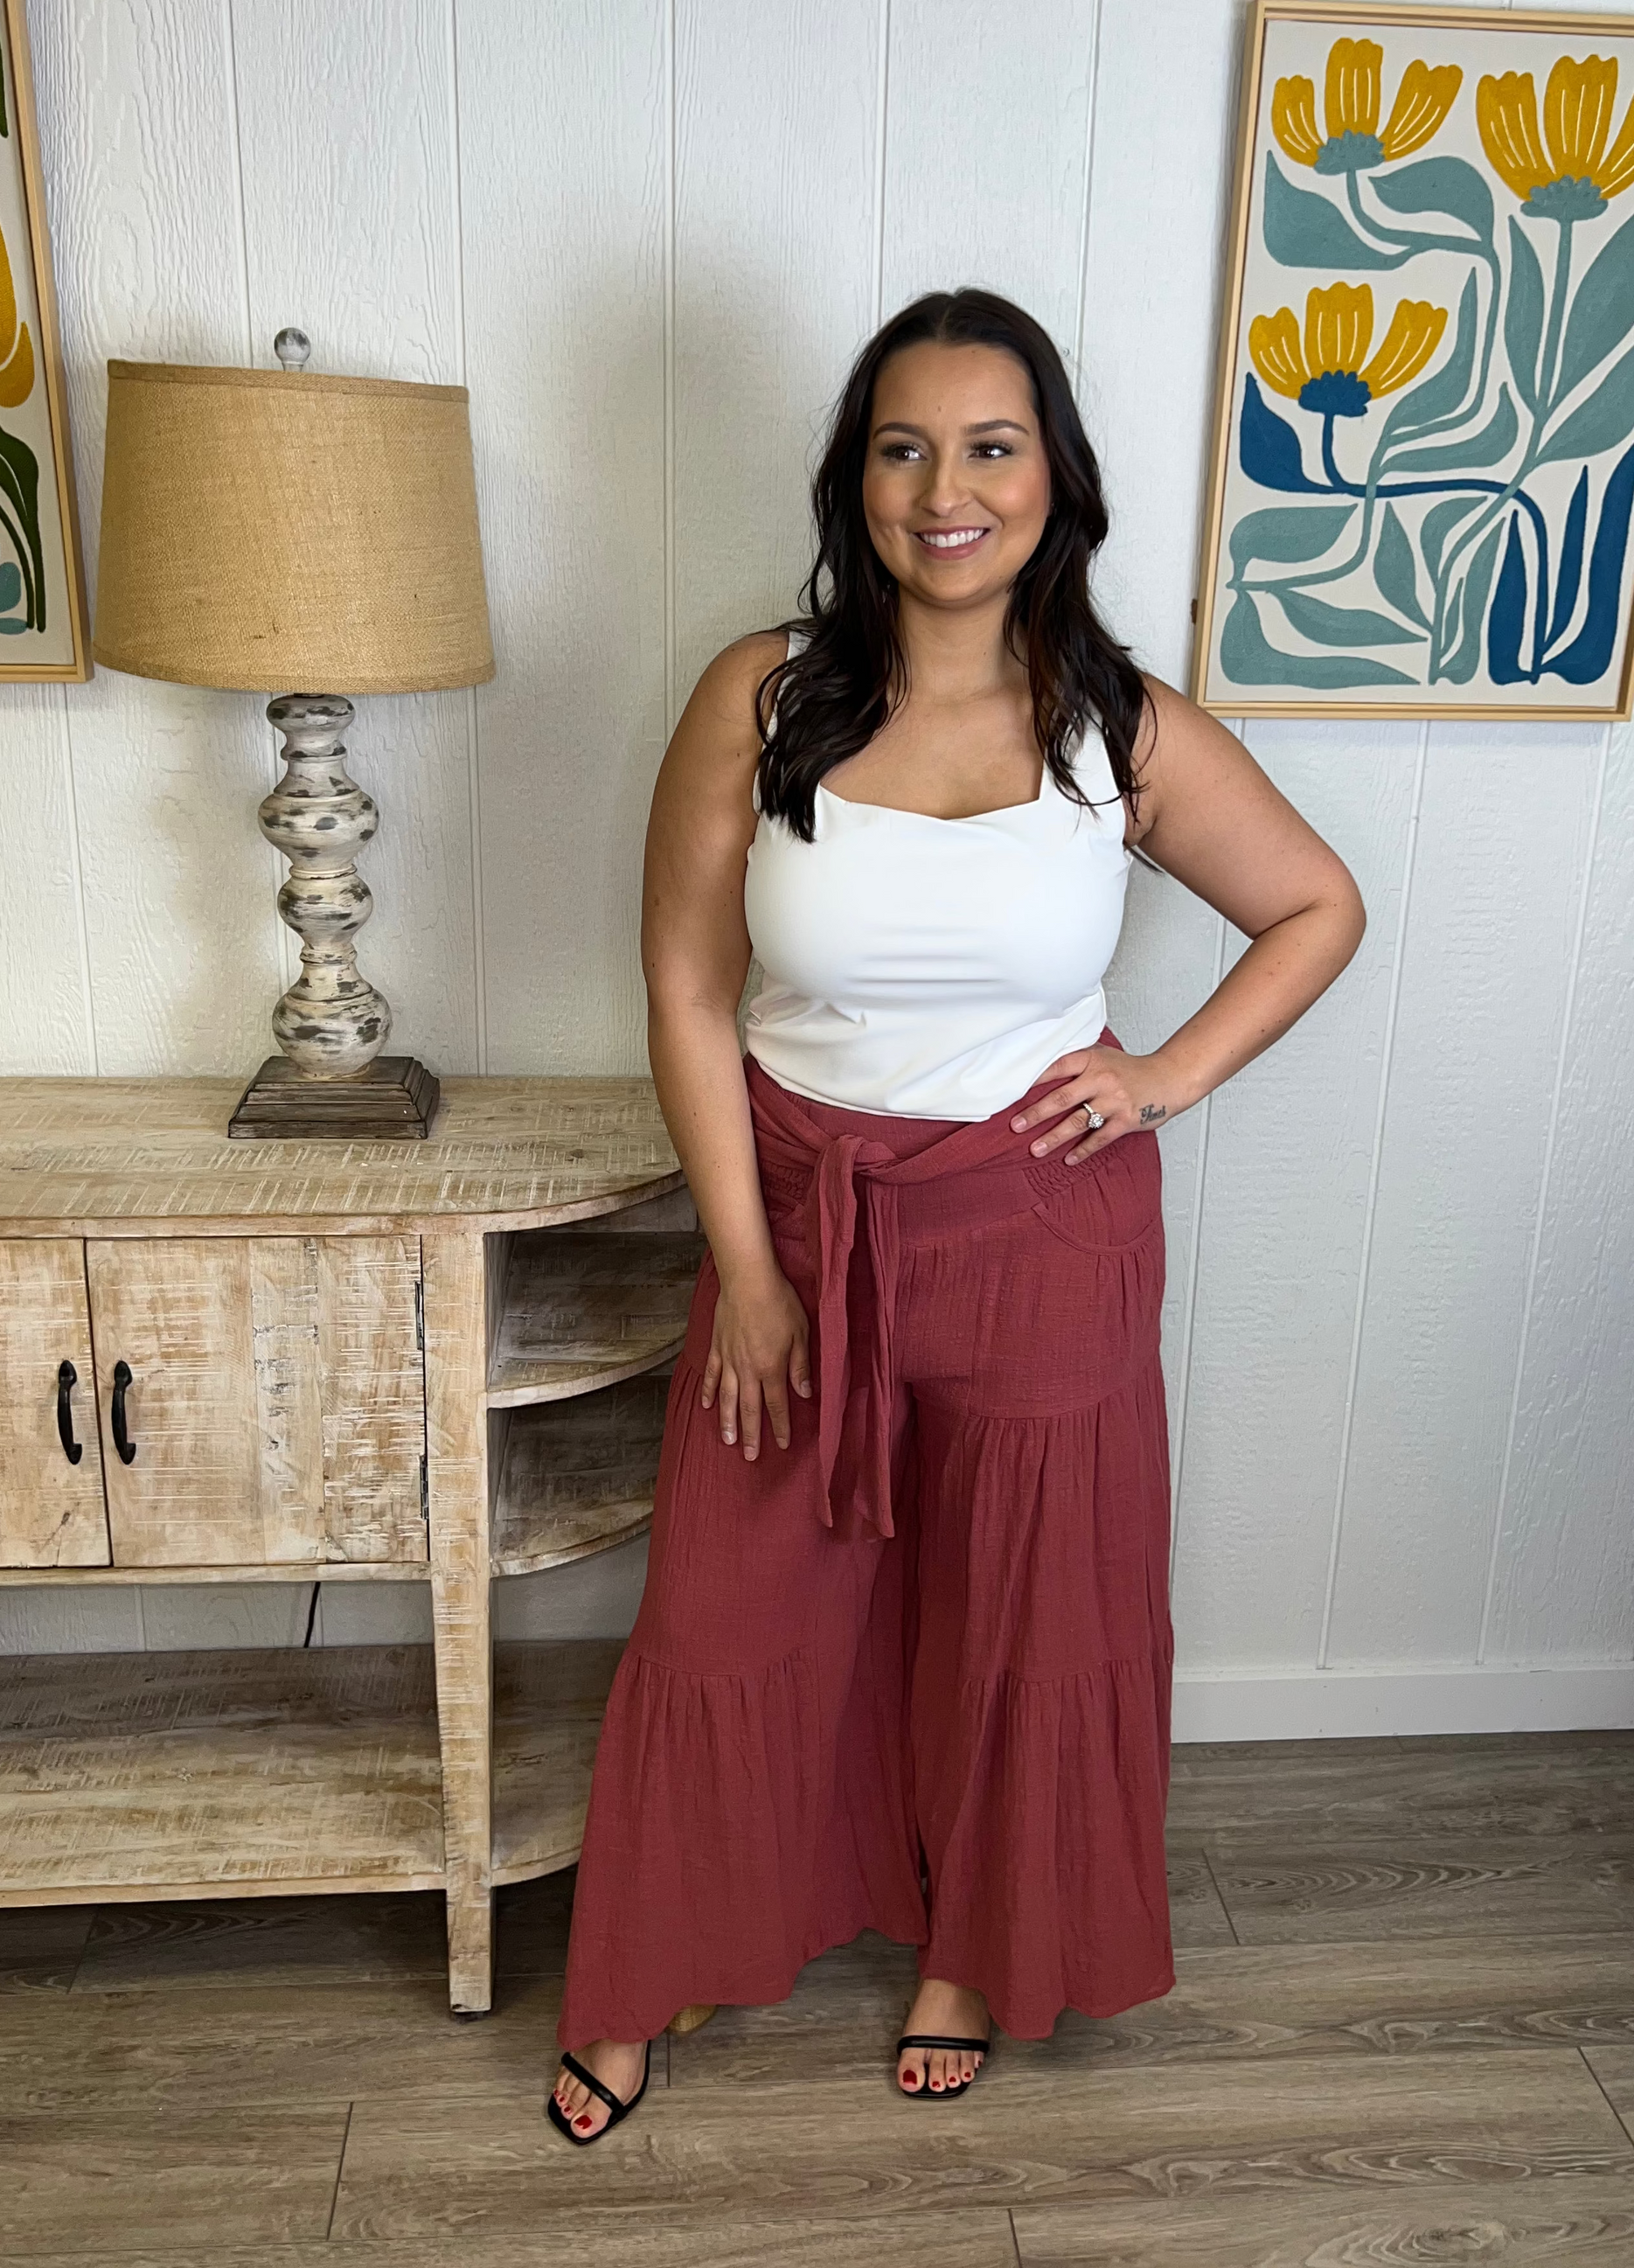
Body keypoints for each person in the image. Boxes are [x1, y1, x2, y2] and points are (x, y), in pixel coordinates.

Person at [546, 287, 1365, 2144]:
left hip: (1040, 1235)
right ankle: (658, 1960)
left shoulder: (1114, 727)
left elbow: (1314, 905)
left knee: (1019, 1619)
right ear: (856, 478)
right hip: (801, 1224)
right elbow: (684, 986)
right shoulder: (762, 694)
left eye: (989, 447)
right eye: (902, 448)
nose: (945, 490)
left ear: (1051, 476)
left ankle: (971, 1953)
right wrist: (748, 1270)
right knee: (727, 1611)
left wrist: (1161, 1075)